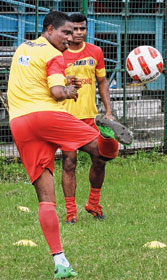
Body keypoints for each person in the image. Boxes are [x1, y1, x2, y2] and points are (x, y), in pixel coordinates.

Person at [7, 10, 132, 279]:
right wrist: (69, 90)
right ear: (49, 29)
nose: (69, 37)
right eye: (65, 32)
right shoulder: (54, 55)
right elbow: (55, 93)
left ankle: (60, 262)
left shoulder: (23, 47)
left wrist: (64, 82)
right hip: (45, 116)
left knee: (45, 197)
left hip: (19, 123)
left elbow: (36, 83)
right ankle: (108, 132)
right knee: (102, 153)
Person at [62, 13, 117, 224]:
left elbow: (102, 81)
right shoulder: (58, 53)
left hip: (90, 119)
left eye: (82, 29)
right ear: (67, 30)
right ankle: (70, 213)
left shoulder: (95, 51)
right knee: (69, 162)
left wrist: (108, 110)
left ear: (86, 29)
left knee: (101, 158)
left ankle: (93, 204)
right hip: (66, 119)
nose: (78, 33)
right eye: (74, 29)